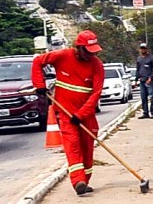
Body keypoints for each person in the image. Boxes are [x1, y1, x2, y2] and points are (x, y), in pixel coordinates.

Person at [32, 29, 105, 195]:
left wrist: (81, 115)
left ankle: (85, 181)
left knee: (87, 149)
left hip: (85, 115)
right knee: (72, 147)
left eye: (93, 52)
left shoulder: (97, 65)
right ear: (79, 48)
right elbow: (38, 62)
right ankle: (78, 181)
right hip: (65, 113)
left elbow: (96, 93)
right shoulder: (63, 56)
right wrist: (39, 85)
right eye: (87, 51)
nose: (90, 55)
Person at [134, 43, 153, 118]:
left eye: (144, 48)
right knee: (143, 97)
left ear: (147, 49)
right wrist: (136, 80)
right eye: (141, 48)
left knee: (152, 97)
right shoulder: (139, 58)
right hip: (142, 81)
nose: (143, 50)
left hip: (150, 81)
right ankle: (145, 113)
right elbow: (138, 69)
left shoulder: (151, 58)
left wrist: (151, 77)